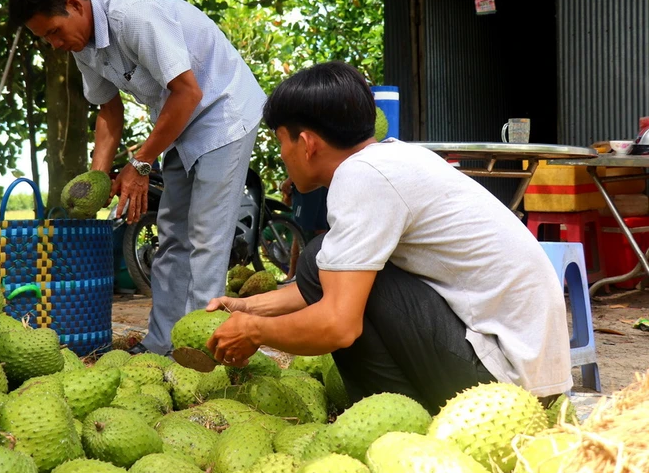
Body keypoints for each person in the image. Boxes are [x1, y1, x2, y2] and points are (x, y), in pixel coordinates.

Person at [206, 61, 571, 412]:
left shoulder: (360, 178)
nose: (284, 155)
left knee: (320, 259)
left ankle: (403, 419)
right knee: (328, 263)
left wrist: (255, 331)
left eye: (281, 142)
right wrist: (247, 307)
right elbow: (334, 283)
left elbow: (338, 323)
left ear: (306, 143)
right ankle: (409, 410)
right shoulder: (393, 159)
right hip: (528, 380)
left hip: (503, 390)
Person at [8, 0, 267, 355]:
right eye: (46, 39)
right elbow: (108, 111)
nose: (55, 45)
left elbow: (189, 92)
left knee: (206, 238)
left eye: (54, 33)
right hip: (178, 124)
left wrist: (141, 164)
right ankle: (161, 345)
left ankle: (204, 353)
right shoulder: (84, 45)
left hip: (222, 112)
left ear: (76, 6)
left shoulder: (135, 17)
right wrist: (96, 180)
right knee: (172, 239)